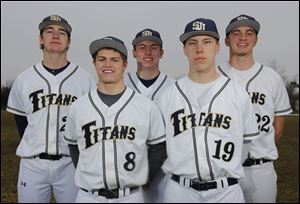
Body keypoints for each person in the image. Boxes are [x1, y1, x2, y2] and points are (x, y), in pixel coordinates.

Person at [156, 17, 260, 203]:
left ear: (218, 47)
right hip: (180, 191)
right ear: (185, 49)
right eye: (192, 43)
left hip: (226, 191)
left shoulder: (237, 94)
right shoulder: (167, 96)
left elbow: (247, 143)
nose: (199, 49)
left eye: (207, 42)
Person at [63, 36, 167, 203]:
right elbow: (73, 146)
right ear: (94, 63)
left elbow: (158, 147)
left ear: (125, 64)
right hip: (89, 196)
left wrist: (145, 178)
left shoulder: (145, 106)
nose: (108, 65)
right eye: (101, 59)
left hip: (131, 196)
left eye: (114, 60)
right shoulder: (79, 107)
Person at [6, 15, 96, 202]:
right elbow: (21, 121)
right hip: (32, 165)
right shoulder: (24, 79)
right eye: (49, 31)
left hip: (70, 163)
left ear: (68, 41)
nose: (55, 36)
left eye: (61, 32)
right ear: (41, 39)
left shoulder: (84, 78)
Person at [218, 14, 292, 203]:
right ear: (227, 40)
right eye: (236, 33)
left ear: (256, 40)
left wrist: (256, 148)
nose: (243, 37)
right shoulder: (213, 76)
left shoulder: (271, 77)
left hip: (261, 169)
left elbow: (279, 129)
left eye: (249, 33)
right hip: (222, 168)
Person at [124, 28, 175, 203]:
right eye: (142, 47)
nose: (147, 52)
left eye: (154, 47)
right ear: (134, 52)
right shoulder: (121, 85)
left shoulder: (175, 87)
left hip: (165, 169)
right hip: (127, 167)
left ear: (161, 53)